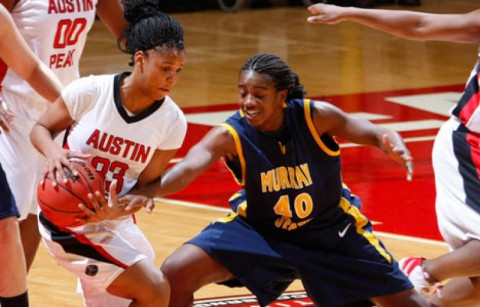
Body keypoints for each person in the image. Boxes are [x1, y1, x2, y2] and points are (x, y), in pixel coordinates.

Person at [119, 52, 433, 306]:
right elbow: (188, 167)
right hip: (262, 231)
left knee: (408, 303)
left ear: (281, 95)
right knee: (177, 272)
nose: (248, 101)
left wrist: (391, 141)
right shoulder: (231, 134)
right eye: (243, 93)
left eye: (259, 94)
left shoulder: (314, 116)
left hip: (330, 233)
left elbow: (372, 131)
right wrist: (151, 190)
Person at [307, 4, 480, 306]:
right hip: (469, 146)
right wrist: (351, 12)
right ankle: (415, 273)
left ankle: (413, 300)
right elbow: (421, 24)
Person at [29, 0, 187, 305]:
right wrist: (53, 153)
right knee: (155, 289)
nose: (172, 77)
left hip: (113, 220)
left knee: (146, 289)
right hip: (67, 220)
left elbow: (145, 187)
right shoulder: (90, 91)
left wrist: (121, 209)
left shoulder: (172, 121)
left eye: (178, 70)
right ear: (140, 59)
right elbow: (40, 128)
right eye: (165, 68)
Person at [0, 0, 126, 275]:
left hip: (59, 105)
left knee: (35, 209)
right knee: (6, 216)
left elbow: (130, 32)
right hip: (12, 107)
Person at [0, 3, 62, 306]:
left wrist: (73, 107)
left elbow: (32, 68)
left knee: (8, 226)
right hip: (18, 115)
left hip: (43, 108)